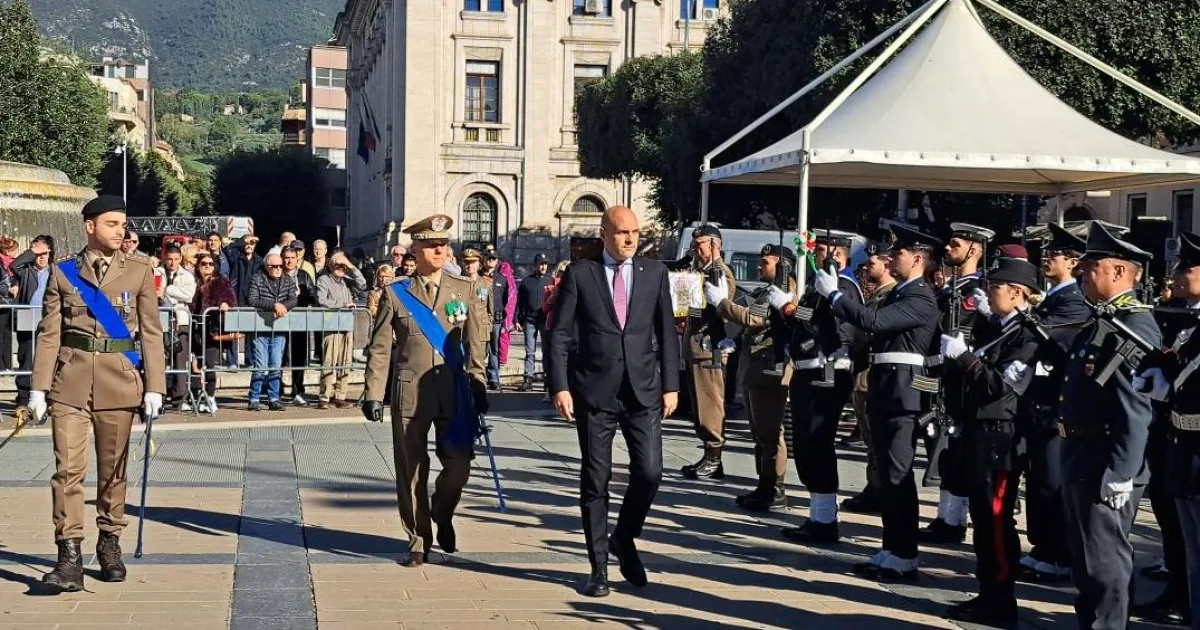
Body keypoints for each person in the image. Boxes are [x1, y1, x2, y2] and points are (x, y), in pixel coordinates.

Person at [28, 195, 166, 593]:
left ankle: (109, 542)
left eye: (122, 224)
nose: (119, 231)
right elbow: (49, 334)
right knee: (68, 471)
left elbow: (152, 333)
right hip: (69, 383)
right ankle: (68, 557)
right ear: (90, 226)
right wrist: (38, 388)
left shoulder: (139, 270)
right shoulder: (63, 273)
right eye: (111, 223)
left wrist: (155, 386)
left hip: (119, 382)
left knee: (113, 472)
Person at [546, 205, 679, 598]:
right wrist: (560, 386)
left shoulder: (654, 273)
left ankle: (625, 535)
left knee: (650, 471)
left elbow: (666, 332)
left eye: (635, 233)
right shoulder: (580, 274)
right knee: (596, 478)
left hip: (643, 390)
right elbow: (559, 333)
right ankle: (599, 566)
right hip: (595, 391)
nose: (630, 240)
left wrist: (671, 385)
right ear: (604, 233)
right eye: (622, 233)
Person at [361, 214, 489, 568]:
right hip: (410, 392)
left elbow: (477, 341)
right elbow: (381, 346)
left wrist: (478, 382)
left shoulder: (463, 290)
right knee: (411, 468)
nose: (439, 250)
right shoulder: (396, 292)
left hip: (454, 390)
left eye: (443, 245)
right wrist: (373, 392)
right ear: (414, 250)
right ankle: (418, 538)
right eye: (431, 245)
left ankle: (442, 511)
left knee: (460, 465)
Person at [817, 224, 940, 581]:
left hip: (904, 395)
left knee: (899, 476)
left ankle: (905, 554)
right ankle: (891, 547)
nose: (890, 258)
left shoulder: (919, 297)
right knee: (888, 475)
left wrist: (836, 297)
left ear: (917, 259)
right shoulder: (900, 294)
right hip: (887, 390)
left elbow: (873, 321)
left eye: (897, 253)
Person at [1057, 221, 1160, 628]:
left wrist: (1122, 471)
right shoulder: (1101, 321)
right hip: (1081, 456)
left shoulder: (1131, 325)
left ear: (1118, 271)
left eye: (1091, 266)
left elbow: (1135, 407)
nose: (1082, 273)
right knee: (1086, 564)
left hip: (1104, 462)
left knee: (1105, 565)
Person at [941, 257, 1041, 625]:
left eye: (996, 286)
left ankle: (1001, 599)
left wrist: (965, 358)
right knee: (983, 521)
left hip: (1002, 439)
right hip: (979, 433)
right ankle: (988, 592)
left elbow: (1004, 386)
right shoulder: (996, 328)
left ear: (1017, 293)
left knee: (997, 522)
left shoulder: (1027, 335)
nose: (989, 291)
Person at [1018, 223, 1091, 585]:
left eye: (1055, 254)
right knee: (1039, 479)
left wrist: (1021, 316)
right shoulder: (1054, 297)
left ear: (1073, 261)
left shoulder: (1073, 300)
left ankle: (1058, 553)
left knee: (1051, 480)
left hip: (1055, 402)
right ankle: (1042, 548)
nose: (1046, 258)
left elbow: (1052, 340)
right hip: (1039, 400)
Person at [783, 229, 864, 543]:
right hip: (806, 371)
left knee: (817, 443)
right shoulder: (818, 287)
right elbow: (805, 319)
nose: (814, 254)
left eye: (821, 250)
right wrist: (785, 311)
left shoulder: (842, 287)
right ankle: (817, 515)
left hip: (826, 372)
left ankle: (825, 519)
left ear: (837, 253)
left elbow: (843, 331)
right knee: (804, 444)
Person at [1137, 232, 1200, 629]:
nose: (1176, 275)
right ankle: (1183, 596)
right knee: (1182, 538)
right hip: (1176, 441)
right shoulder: (1184, 317)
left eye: (1187, 268)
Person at [703, 244, 796, 511]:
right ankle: (764, 484)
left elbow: (752, 319)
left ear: (781, 265)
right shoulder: (766, 292)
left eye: (765, 262)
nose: (759, 265)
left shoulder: (781, 293)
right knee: (759, 432)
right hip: (756, 366)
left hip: (771, 368)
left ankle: (775, 488)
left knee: (770, 432)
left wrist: (722, 302)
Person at [921, 222, 994, 545]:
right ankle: (946, 517)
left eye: (955, 244)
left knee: (957, 451)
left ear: (974, 250)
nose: (948, 249)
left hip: (964, 380)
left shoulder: (978, 290)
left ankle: (955, 521)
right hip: (941, 380)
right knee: (944, 452)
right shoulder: (949, 290)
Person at [841, 244, 897, 514]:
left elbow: (870, 330)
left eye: (871, 262)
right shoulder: (875, 295)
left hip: (873, 374)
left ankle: (878, 490)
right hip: (863, 373)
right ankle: (872, 487)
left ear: (886, 264)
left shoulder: (890, 296)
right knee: (869, 438)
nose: (865, 267)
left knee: (876, 439)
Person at [680, 225, 736, 480]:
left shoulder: (718, 272)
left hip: (709, 347)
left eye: (701, 243)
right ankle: (709, 454)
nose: (696, 248)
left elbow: (719, 310)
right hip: (697, 347)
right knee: (699, 405)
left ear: (716, 245)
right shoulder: (702, 271)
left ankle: (715, 456)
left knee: (710, 405)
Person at [246, 253, 298, 410]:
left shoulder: (287, 279)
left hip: (279, 327)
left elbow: (293, 299)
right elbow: (253, 299)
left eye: (280, 266)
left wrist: (284, 306)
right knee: (261, 365)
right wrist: (274, 305)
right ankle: (254, 398)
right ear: (266, 266)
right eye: (274, 266)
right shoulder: (257, 278)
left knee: (276, 364)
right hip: (261, 327)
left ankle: (274, 398)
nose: (278, 269)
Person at [10, 235, 55, 412]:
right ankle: (22, 399)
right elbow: (14, 265)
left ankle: (49, 399)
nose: (42, 257)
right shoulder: (26, 270)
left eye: (45, 253)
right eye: (38, 253)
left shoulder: (54, 270)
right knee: (26, 357)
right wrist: (31, 252)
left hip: (49, 317)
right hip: (27, 314)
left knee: (49, 358)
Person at [316, 251, 366, 409]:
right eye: (338, 265)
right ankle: (324, 397)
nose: (341, 268)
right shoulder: (323, 280)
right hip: (331, 326)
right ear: (330, 266)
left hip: (346, 325)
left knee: (345, 362)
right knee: (329, 361)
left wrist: (351, 266)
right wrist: (342, 305)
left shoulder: (346, 281)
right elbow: (322, 301)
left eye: (343, 266)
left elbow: (363, 284)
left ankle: (340, 396)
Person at [191, 253, 237, 414]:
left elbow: (229, 297)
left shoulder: (220, 282)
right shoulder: (194, 281)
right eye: (203, 264)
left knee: (209, 363)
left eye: (211, 264)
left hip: (212, 329)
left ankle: (210, 397)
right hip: (195, 329)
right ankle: (197, 396)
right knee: (195, 364)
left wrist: (225, 302)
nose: (207, 266)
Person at [159, 246, 197, 410]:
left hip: (181, 321)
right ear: (165, 258)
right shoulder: (157, 272)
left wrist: (167, 290)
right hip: (161, 322)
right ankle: (159, 397)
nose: (172, 263)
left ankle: (179, 399)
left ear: (180, 259)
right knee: (160, 361)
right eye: (169, 259)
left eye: (176, 259)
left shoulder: (187, 275)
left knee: (180, 361)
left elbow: (188, 295)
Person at [283, 245, 317, 405]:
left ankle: (298, 390)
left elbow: (313, 296)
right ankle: (277, 390)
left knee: (299, 356)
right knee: (280, 356)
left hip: (299, 320)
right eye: (286, 258)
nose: (289, 261)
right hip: (280, 320)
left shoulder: (303, 276)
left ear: (297, 260)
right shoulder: (278, 274)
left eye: (292, 258)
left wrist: (301, 294)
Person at [517, 254, 555, 392]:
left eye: (545, 264)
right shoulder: (527, 281)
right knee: (530, 351)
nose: (543, 266)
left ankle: (547, 378)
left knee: (546, 350)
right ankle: (528, 378)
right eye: (540, 264)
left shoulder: (550, 281)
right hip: (530, 320)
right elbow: (520, 302)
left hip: (545, 320)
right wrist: (518, 319)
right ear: (535, 265)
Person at [487, 255, 516, 390]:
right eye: (487, 258)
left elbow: (509, 302)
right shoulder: (478, 277)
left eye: (493, 258)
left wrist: (511, 319)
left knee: (494, 349)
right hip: (480, 318)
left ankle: (493, 378)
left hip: (496, 320)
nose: (490, 261)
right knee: (478, 350)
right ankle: (476, 377)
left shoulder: (502, 278)